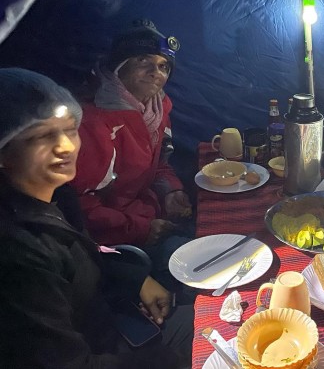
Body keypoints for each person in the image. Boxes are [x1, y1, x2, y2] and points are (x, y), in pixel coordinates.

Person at [0, 68, 192, 368]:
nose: (66, 146)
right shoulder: (18, 252)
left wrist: (136, 280)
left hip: (115, 324)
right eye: (42, 136)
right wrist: (173, 360)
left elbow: (86, 254)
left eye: (70, 130)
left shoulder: (59, 196)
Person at [71, 19, 193, 288]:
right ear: (119, 67)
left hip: (147, 214)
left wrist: (171, 191)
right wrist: (140, 229)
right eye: (142, 61)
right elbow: (78, 207)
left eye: (163, 66)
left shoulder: (156, 109)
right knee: (193, 264)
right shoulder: (94, 122)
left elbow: (159, 165)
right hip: (109, 245)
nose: (155, 72)